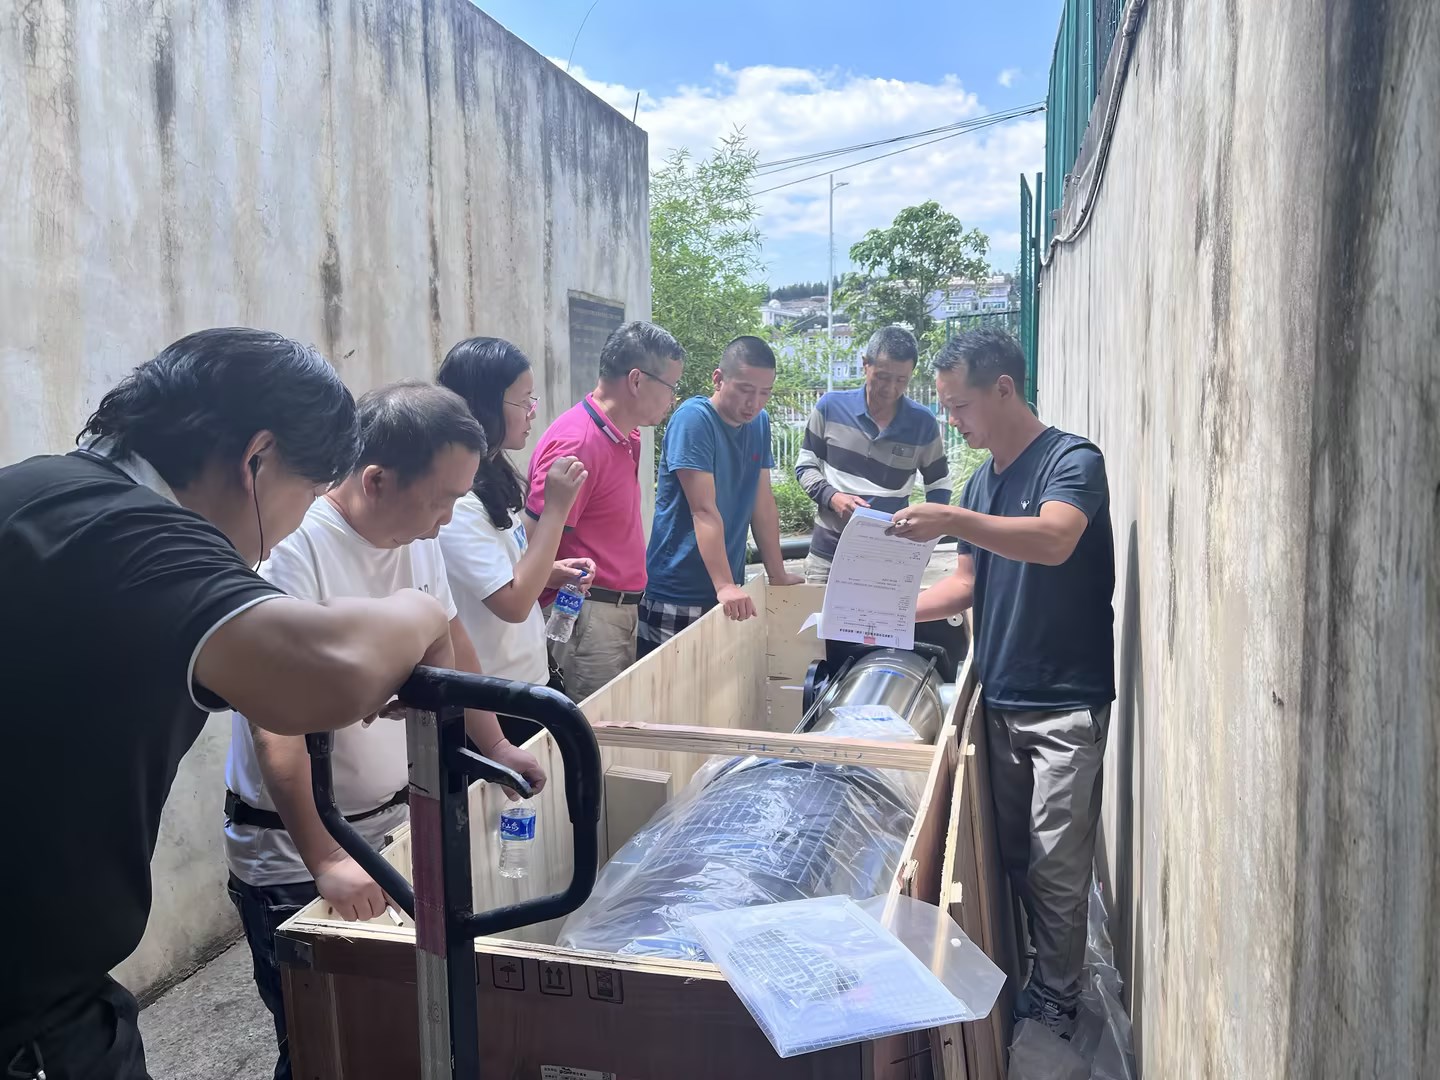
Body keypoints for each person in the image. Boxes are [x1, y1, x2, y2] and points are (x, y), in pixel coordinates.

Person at [0, 330, 455, 1080]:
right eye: (305, 493)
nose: (288, 529)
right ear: (257, 460)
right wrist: (426, 612)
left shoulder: (38, 491)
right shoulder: (143, 538)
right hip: (29, 1014)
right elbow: (328, 675)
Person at [223, 381, 546, 1080]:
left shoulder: (417, 537)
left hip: (391, 831)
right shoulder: (294, 549)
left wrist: (495, 745)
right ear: (376, 480)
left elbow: (455, 645)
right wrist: (324, 858)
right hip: (297, 853)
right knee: (320, 1045)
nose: (447, 518)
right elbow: (273, 725)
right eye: (440, 499)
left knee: (395, 1033)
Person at [888, 328, 1115, 1039]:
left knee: (1057, 865)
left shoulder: (1070, 461)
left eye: (960, 405)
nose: (953, 420)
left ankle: (1057, 1006)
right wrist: (882, 613)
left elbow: (1055, 539)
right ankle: (1041, 976)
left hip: (1064, 704)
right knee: (1017, 859)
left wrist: (953, 518)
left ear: (1004, 389)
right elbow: (964, 584)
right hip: (1001, 697)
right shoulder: (984, 481)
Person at [435, 336, 595, 725]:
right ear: (486, 404)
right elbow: (513, 603)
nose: (532, 413)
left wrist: (551, 572)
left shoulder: (493, 477)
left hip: (527, 681)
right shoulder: (459, 503)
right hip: (492, 701)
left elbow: (505, 573)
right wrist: (556, 508)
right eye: (524, 402)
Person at [525, 321, 686, 701]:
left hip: (612, 614)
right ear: (636, 380)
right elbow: (530, 546)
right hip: (585, 618)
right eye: (671, 386)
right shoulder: (579, 443)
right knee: (590, 729)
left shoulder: (625, 435)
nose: (673, 399)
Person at [639, 335, 804, 656]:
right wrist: (725, 584)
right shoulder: (694, 419)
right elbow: (703, 509)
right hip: (678, 592)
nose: (754, 403)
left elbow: (763, 505)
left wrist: (778, 574)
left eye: (765, 393)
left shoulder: (759, 423)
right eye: (745, 389)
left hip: (726, 591)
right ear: (718, 379)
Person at [794, 325, 951, 583]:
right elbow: (805, 466)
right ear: (865, 364)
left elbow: (939, 484)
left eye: (901, 380)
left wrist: (925, 534)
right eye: (882, 376)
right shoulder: (830, 408)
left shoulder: (922, 423)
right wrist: (832, 497)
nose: (890, 388)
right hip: (828, 555)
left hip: (890, 557)